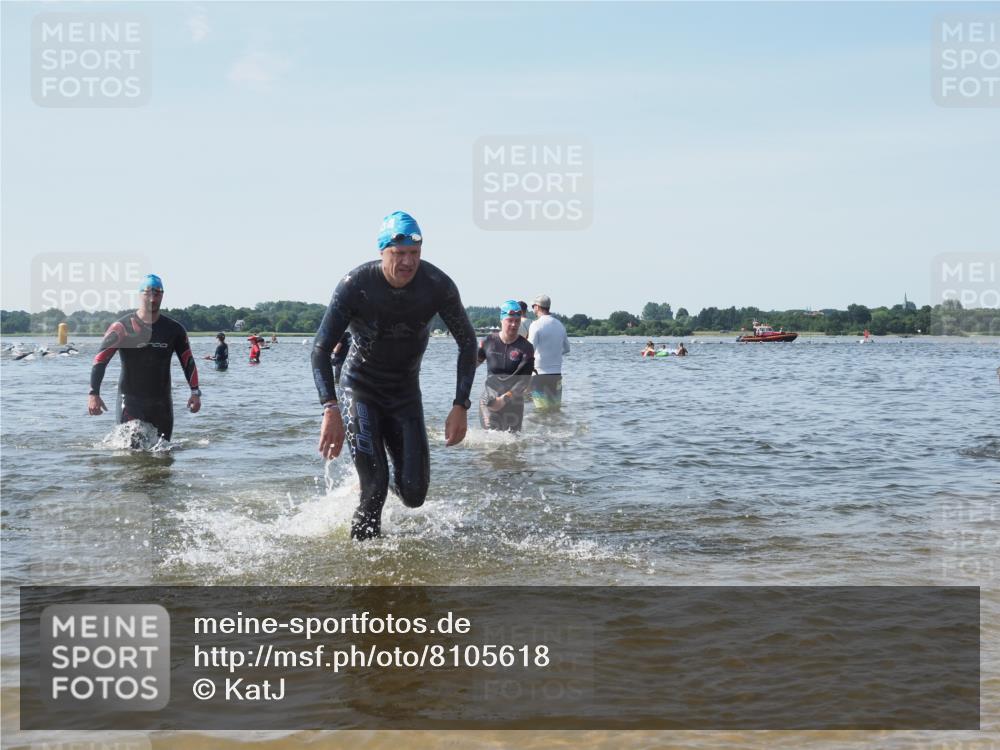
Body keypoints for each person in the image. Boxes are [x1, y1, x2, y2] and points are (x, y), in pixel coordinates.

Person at [311, 211, 477, 541]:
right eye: (399, 254)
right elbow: (319, 349)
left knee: (414, 495)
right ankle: (365, 571)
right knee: (376, 488)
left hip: (404, 394)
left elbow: (468, 342)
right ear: (382, 251)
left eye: (414, 254)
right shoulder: (355, 285)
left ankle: (373, 468)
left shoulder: (437, 286)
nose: (407, 262)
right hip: (360, 389)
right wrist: (330, 408)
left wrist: (461, 405)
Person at [87, 274, 201, 441]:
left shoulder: (174, 330)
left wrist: (195, 392)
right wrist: (93, 394)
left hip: (162, 403)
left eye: (157, 293)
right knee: (130, 454)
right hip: (130, 402)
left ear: (162, 295)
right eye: (148, 293)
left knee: (163, 454)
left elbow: (188, 361)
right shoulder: (121, 327)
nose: (152, 298)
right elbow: (100, 360)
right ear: (140, 294)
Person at [477, 300, 535, 432]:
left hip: (513, 401)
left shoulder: (526, 348)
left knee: (513, 443)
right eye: (510, 320)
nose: (514, 324)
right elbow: (471, 366)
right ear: (501, 320)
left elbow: (524, 381)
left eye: (517, 320)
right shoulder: (489, 341)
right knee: (491, 440)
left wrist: (505, 398)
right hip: (490, 400)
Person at [527, 294, 570, 411]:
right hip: (556, 375)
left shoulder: (535, 325)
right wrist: (553, 354)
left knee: (542, 411)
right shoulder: (560, 325)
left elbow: (529, 350)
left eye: (533, 306)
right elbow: (567, 349)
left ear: (537, 307)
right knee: (555, 410)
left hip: (539, 376)